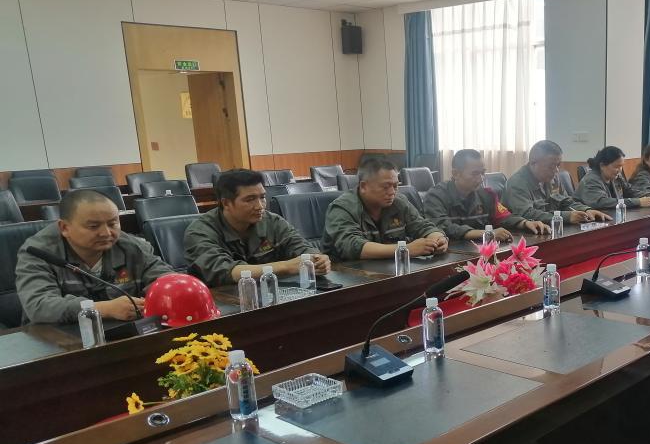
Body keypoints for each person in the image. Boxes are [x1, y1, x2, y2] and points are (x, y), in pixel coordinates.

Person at [16, 189, 174, 324]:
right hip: (57, 338)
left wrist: (164, 295)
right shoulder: (38, 252)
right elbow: (39, 306)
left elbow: (168, 280)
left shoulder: (132, 247)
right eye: (93, 226)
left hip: (123, 334)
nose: (106, 233)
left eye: (112, 223)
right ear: (64, 227)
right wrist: (104, 309)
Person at [184, 169, 330, 287]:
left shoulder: (271, 221)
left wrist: (317, 260)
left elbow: (300, 246)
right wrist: (286, 267)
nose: (260, 206)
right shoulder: (200, 231)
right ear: (226, 203)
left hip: (270, 294)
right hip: (222, 302)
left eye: (262, 197)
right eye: (250, 199)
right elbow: (225, 271)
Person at [323, 158, 448, 260]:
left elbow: (422, 225)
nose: (392, 192)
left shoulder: (399, 202)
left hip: (389, 270)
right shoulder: (342, 208)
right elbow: (352, 246)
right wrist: (405, 249)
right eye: (386, 186)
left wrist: (438, 238)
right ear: (364, 186)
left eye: (395, 186)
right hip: (348, 274)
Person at [423, 149, 549, 241]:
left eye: (483, 173)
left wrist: (525, 223)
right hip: (450, 254)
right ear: (456, 174)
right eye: (475, 174)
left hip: (478, 250)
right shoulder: (436, 196)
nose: (481, 179)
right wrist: (487, 234)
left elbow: (504, 217)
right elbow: (443, 227)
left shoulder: (486, 194)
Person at [503, 140, 611, 224]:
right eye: (551, 166)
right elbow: (527, 214)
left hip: (552, 229)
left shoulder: (553, 178)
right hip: (524, 237)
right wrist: (566, 217)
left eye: (558, 165)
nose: (556, 170)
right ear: (533, 163)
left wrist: (586, 210)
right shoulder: (517, 183)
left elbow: (566, 201)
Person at [574, 146, 650, 210]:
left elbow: (630, 191)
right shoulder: (591, 180)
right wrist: (638, 202)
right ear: (602, 165)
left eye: (621, 166)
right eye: (616, 166)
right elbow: (602, 202)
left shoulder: (616, 177)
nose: (620, 170)